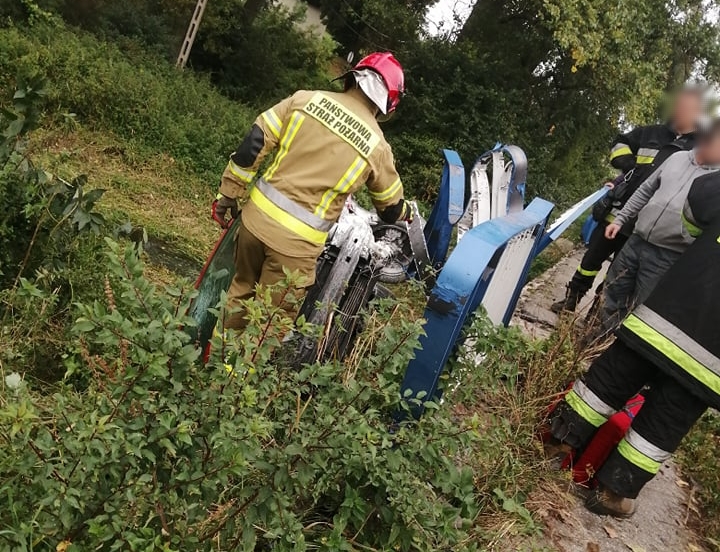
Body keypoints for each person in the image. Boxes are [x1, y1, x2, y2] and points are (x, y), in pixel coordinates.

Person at [547, 169, 720, 518]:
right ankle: (613, 493)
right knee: (664, 424)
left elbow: (693, 207)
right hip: (711, 362)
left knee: (603, 385)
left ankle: (556, 445)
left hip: (663, 322)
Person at [210, 53, 413, 330]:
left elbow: (254, 143)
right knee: (269, 323)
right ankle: (239, 373)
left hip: (253, 225)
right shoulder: (377, 146)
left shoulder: (305, 99)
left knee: (240, 291)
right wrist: (407, 212)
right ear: (388, 103)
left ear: (353, 77)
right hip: (295, 247)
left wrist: (229, 194)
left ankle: (216, 366)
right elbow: (390, 209)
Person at [551, 88, 704, 313]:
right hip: (618, 212)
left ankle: (595, 314)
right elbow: (618, 143)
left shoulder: (698, 147)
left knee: (618, 273)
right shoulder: (650, 133)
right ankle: (572, 299)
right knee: (591, 260)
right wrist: (628, 166)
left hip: (645, 226)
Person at [599, 119, 720, 331]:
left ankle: (618, 355)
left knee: (642, 311)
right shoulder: (677, 158)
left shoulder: (716, 182)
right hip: (636, 240)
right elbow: (646, 189)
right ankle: (595, 345)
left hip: (668, 257)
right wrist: (620, 219)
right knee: (611, 293)